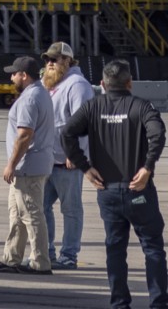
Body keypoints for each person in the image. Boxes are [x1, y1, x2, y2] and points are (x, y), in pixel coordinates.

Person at [62, 58, 168, 309]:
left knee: (115, 247)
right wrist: (147, 167)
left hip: (107, 190)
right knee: (152, 247)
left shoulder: (92, 107)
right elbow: (158, 134)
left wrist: (85, 167)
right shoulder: (141, 106)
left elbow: (67, 133)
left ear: (102, 84)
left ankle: (120, 302)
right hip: (138, 189)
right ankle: (159, 302)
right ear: (130, 83)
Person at [0, 54, 59, 276]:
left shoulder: (30, 98)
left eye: (14, 73)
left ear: (24, 75)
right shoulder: (40, 93)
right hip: (29, 165)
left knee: (31, 214)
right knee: (17, 213)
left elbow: (24, 135)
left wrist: (11, 164)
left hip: (27, 166)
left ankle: (40, 262)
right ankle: (11, 258)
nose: (11, 77)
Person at [45, 41, 95, 270]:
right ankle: (45, 252)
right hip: (49, 159)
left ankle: (69, 255)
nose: (50, 63)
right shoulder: (55, 83)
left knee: (71, 209)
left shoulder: (77, 84)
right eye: (47, 59)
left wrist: (77, 154)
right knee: (40, 207)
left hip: (67, 161)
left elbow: (84, 123)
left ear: (67, 60)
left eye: (54, 59)